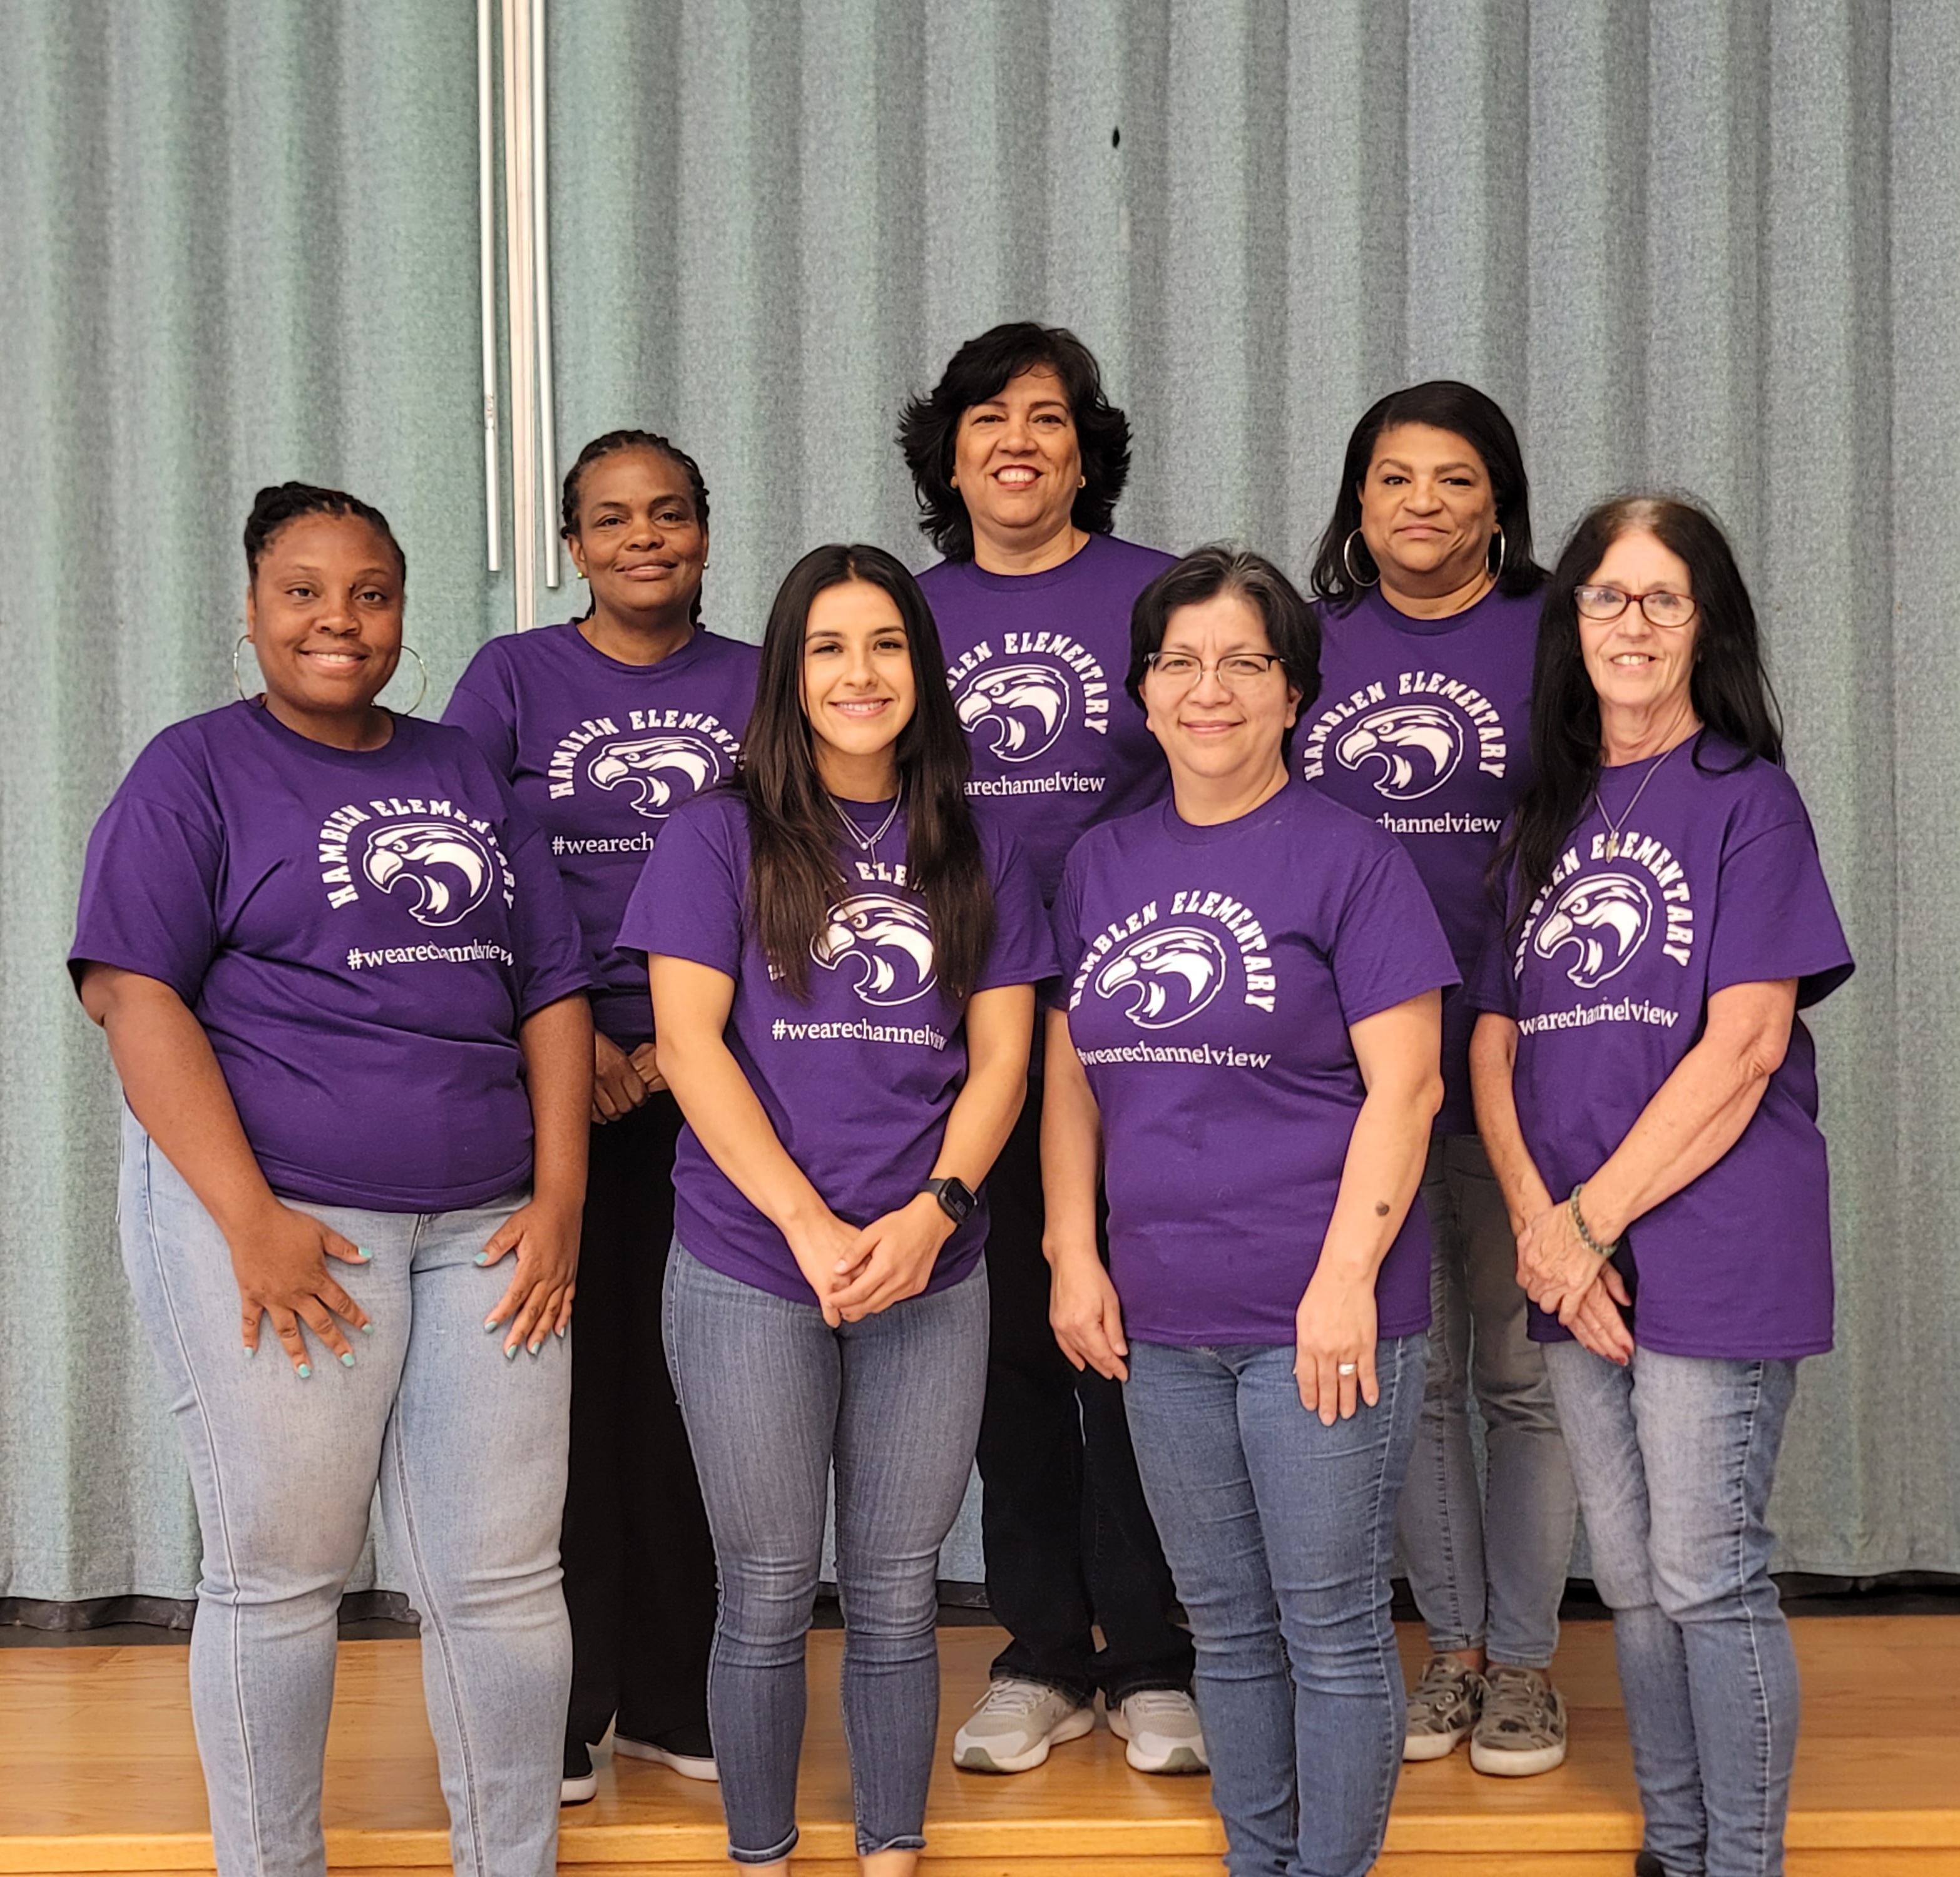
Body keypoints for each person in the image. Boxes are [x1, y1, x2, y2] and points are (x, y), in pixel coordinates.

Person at [70, 484, 594, 1877]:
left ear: (403, 615)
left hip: (488, 1229)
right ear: (249, 609)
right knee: (281, 1575)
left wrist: (560, 1204)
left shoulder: (467, 772)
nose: (337, 620)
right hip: (290, 1222)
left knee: (501, 1582)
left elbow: (551, 989)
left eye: (369, 593)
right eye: (303, 591)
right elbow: (134, 996)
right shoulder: (193, 772)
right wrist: (250, 1224)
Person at [625, 544, 1054, 1876]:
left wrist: (933, 1213)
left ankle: (889, 1854)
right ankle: (761, 1855)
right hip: (753, 1263)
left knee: (895, 1592)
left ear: (922, 670)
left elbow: (1004, 1063)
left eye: (884, 645)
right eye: (827, 647)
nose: (859, 674)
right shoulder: (715, 833)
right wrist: (810, 1228)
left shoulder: (979, 841)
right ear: (787, 674)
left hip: (935, 1265)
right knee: (761, 1589)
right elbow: (690, 1049)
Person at [1045, 545, 1458, 1877]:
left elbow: (1410, 1086)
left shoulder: (1355, 859)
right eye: (1180, 663)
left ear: (1294, 696)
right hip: (1163, 1319)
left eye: (1244, 662)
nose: (1208, 689)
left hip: (1321, 1317)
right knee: (1222, 1624)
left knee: (1329, 1622)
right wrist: (1071, 1250)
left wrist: (1344, 1282)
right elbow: (1072, 1082)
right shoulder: (1099, 864)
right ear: (1144, 693)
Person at [1469, 496, 1853, 1877]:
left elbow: (1746, 1045)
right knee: (1627, 1583)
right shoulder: (1545, 817)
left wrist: (1585, 1226)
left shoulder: (1747, 798)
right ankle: (1675, 1845)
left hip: (1712, 1241)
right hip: (1573, 1248)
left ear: (1706, 625)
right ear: (1569, 626)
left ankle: (1740, 1861)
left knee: (1706, 1572)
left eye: (1663, 599)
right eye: (1605, 598)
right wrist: (1535, 1218)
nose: (1631, 624)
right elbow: (1494, 1043)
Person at [897, 320, 1201, 1776]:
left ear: (1088, 445)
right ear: (948, 453)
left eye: (1048, 416)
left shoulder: (1159, 595)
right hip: (956, 1041)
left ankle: (1152, 1654)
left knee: (1128, 1343)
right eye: (987, 419)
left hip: (1149, 1031)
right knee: (1004, 1343)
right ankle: (1037, 1649)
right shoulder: (902, 609)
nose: (1017, 439)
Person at [445, 429, 759, 1804]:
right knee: (567, 1405)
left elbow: (805, 868)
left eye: (672, 514)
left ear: (704, 531)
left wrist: (682, 1051)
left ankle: (677, 1697)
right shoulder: (512, 680)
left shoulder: (760, 681)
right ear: (573, 543)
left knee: (698, 1401)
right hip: (559, 1091)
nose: (646, 538)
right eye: (613, 518)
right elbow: (465, 866)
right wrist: (595, 1043)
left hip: (730, 1091)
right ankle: (567, 1709)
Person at [1302, 381, 1578, 1776]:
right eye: (1395, 477)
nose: (1423, 502)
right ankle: (1453, 1650)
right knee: (1403, 1376)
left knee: (1521, 1376)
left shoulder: (1554, 632)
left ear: (1499, 502)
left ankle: (1529, 1664)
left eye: (1456, 479)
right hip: (1347, 1081)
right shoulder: (1314, 643)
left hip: (1526, 1058)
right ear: (1358, 501)